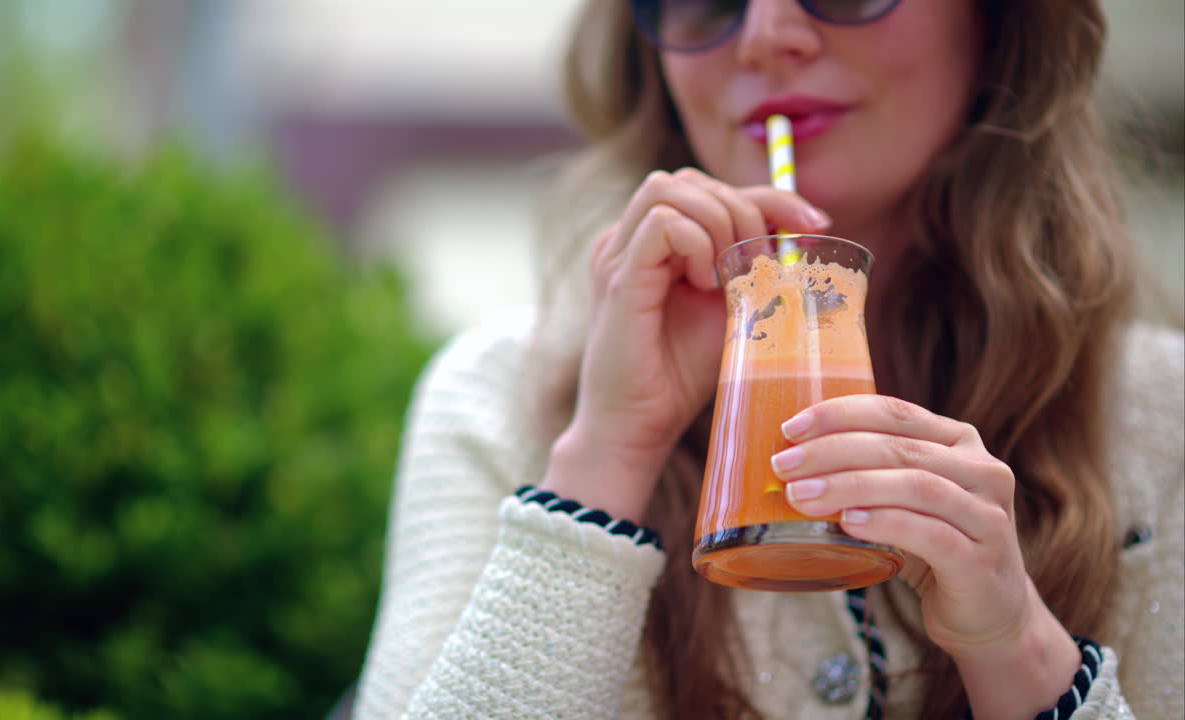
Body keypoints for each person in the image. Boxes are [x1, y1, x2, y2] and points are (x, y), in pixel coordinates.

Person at [351, 1, 1183, 718]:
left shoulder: (1161, 420)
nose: (764, 36)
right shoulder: (497, 397)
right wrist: (604, 459)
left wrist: (1022, 656)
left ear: (998, 22)